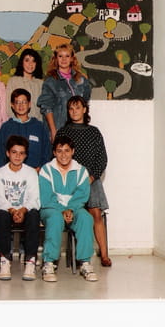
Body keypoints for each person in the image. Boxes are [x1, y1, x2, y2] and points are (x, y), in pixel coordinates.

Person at [55, 95, 111, 267]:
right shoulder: (63, 132)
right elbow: (58, 157)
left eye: (77, 108)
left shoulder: (94, 132)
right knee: (71, 213)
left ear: (84, 110)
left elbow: (102, 159)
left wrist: (92, 177)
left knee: (96, 213)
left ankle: (104, 255)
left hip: (90, 179)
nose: (74, 112)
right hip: (69, 180)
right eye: (71, 109)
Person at [38, 135, 98, 283]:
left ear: (73, 151)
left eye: (67, 150)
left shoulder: (81, 171)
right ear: (54, 153)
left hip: (74, 208)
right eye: (59, 151)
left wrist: (70, 209)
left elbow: (82, 195)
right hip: (51, 208)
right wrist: (62, 210)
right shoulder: (46, 170)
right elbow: (46, 197)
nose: (63, 155)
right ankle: (49, 263)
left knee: (86, 218)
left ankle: (85, 263)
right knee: (55, 218)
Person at [0, 135, 41, 281]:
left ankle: (30, 261)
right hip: (8, 210)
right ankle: (5, 260)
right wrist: (13, 210)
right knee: (2, 215)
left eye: (21, 153)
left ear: (26, 155)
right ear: (8, 153)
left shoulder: (31, 172)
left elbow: (34, 198)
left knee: (34, 215)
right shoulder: (0, 173)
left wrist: (22, 210)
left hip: (26, 210)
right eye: (14, 152)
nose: (17, 156)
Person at [37, 42, 91, 140]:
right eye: (60, 56)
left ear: (72, 58)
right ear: (56, 59)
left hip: (78, 130)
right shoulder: (50, 81)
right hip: (59, 129)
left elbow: (85, 103)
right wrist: (53, 131)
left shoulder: (82, 80)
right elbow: (46, 108)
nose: (64, 59)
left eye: (67, 56)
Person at [0, 87, 51, 171]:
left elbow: (47, 152)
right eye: (17, 102)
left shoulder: (39, 126)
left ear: (29, 104)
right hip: (10, 174)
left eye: (24, 102)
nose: (21, 105)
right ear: (12, 105)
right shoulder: (6, 127)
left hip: (34, 173)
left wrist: (41, 169)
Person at [5, 48, 44, 122]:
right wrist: (18, 122)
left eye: (33, 61)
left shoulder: (41, 84)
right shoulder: (13, 81)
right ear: (21, 62)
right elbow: (8, 106)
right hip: (17, 124)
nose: (30, 64)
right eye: (27, 60)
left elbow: (43, 109)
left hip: (37, 124)